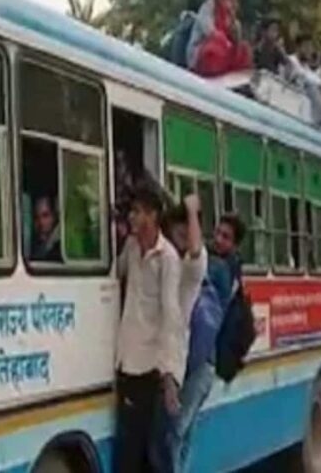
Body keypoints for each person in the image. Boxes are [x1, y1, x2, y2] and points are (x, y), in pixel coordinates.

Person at [116, 181, 185, 472]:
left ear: (153, 216)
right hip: (127, 365)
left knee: (155, 456)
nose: (132, 217)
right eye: (131, 212)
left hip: (152, 371)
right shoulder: (132, 248)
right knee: (130, 454)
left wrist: (169, 376)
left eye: (138, 212)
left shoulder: (167, 258)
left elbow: (171, 318)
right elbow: (116, 274)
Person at [153, 196, 219, 473]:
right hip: (179, 364)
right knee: (179, 436)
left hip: (197, 368)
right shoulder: (167, 263)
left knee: (175, 432)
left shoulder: (195, 264)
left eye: (185, 233)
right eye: (175, 233)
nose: (180, 240)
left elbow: (195, 249)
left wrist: (193, 210)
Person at [186, 0, 253, 77]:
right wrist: (225, 42)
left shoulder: (230, 14)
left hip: (224, 53)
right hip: (202, 51)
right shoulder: (208, 6)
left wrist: (233, 16)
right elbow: (209, 31)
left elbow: (236, 40)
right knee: (216, 44)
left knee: (244, 48)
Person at [31, 195, 62, 262]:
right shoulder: (31, 249)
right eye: (36, 217)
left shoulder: (60, 249)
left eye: (45, 215)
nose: (41, 222)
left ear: (54, 217)